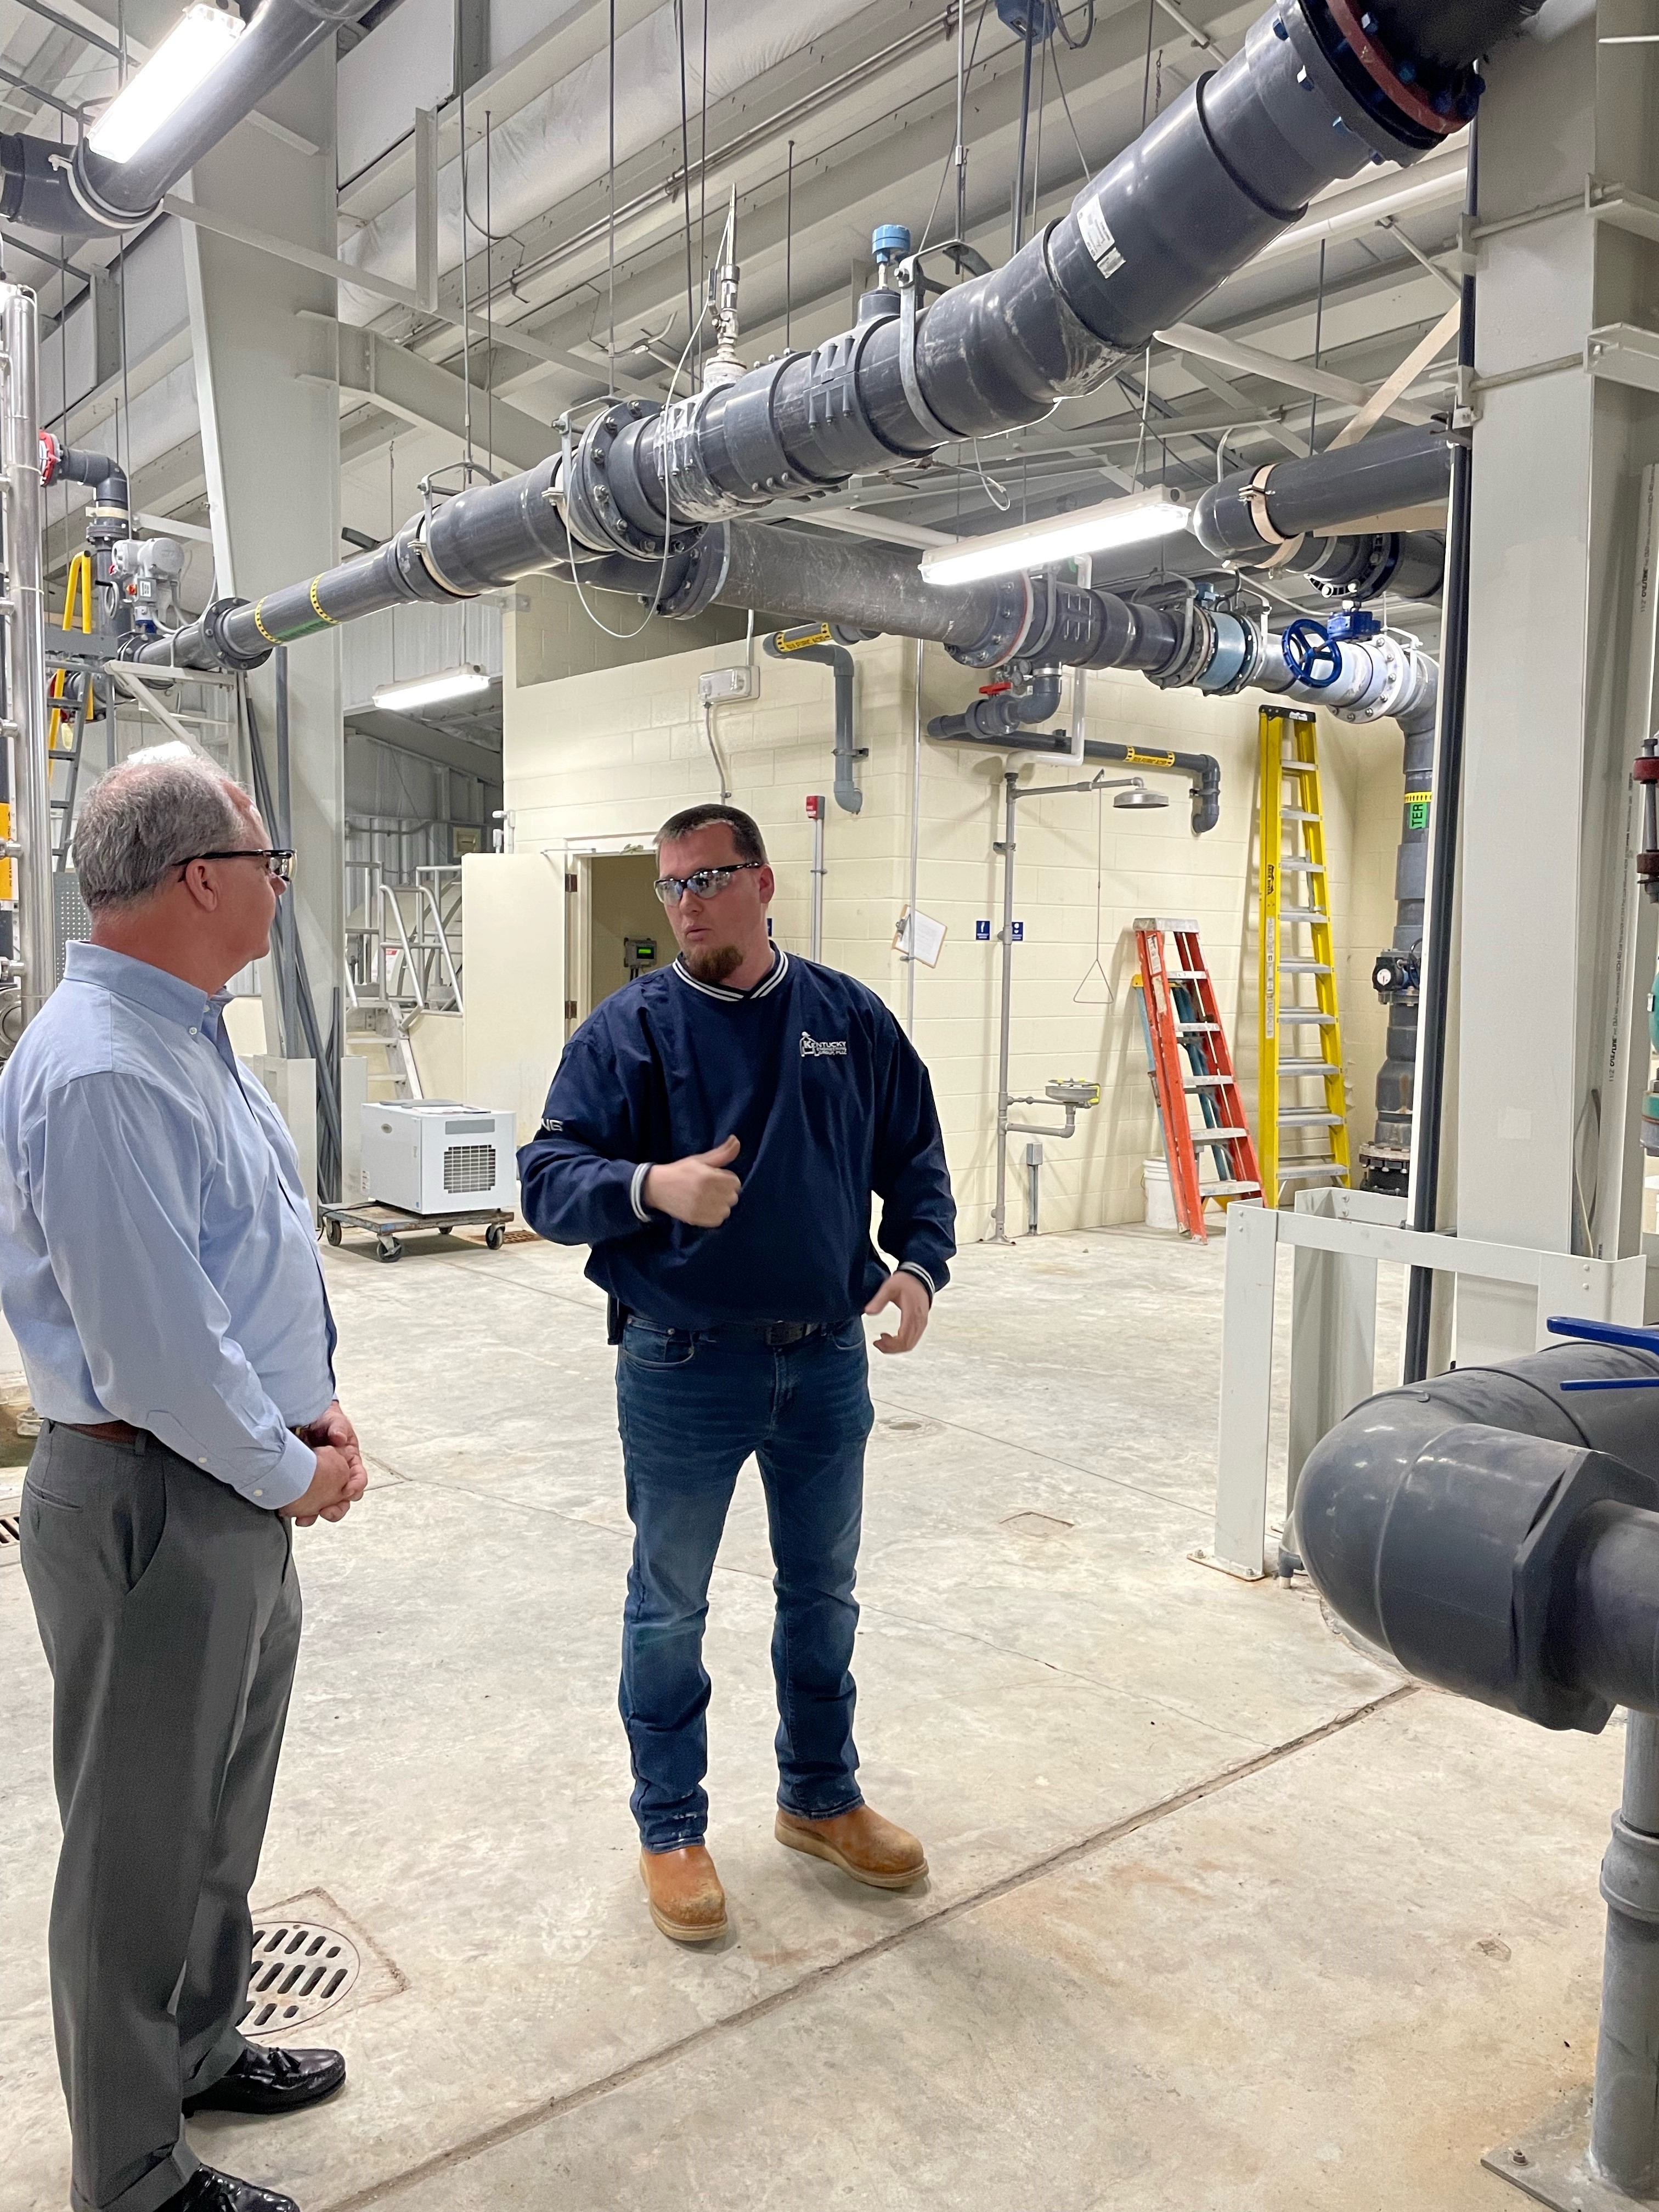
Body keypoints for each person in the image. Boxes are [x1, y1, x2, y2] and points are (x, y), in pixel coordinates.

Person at [1, 747, 368, 2212]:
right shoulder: (101, 1070)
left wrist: (312, 1413)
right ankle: (135, 2176)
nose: (282, 887)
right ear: (205, 878)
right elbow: (156, 1354)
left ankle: (202, 2048)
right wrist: (288, 1469)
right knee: (136, 1853)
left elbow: (234, 1274)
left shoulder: (184, 1036)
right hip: (159, 1499)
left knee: (216, 1814)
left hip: (226, 1486)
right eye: (270, 861)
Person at [518, 801, 956, 1943]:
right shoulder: (633, 1031)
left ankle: (820, 1798)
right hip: (683, 1364)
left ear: (763, 884)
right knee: (669, 1607)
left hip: (823, 1363)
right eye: (672, 887)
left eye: (708, 879)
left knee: (825, 1595)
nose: (687, 904)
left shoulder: (849, 1019)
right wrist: (649, 1187)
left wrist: (916, 1267)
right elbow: (547, 1175)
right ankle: (671, 1826)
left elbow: (914, 1153)